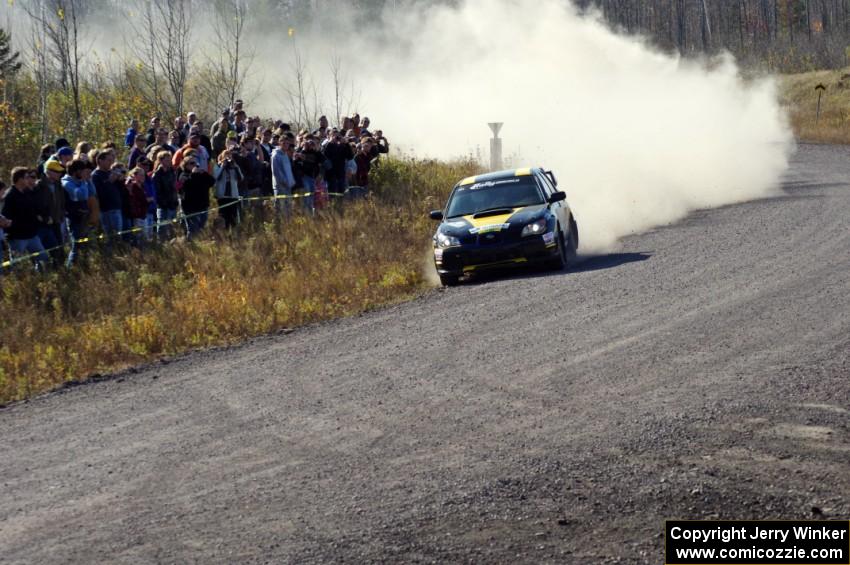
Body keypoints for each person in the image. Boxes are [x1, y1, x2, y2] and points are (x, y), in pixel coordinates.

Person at [2, 168, 47, 267]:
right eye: (26, 177)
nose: (29, 180)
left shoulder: (27, 192)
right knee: (17, 265)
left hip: (32, 235)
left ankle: (43, 279)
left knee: (43, 259)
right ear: (19, 179)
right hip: (17, 238)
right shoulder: (10, 196)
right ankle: (19, 282)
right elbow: (6, 218)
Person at [33, 160, 67, 266]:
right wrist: (45, 218)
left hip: (56, 222)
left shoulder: (58, 185)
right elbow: (37, 206)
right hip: (43, 225)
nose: (59, 174)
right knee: (41, 253)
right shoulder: (38, 186)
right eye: (57, 171)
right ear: (48, 172)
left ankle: (59, 272)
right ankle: (41, 273)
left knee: (58, 251)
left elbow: (62, 202)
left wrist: (61, 215)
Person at [62, 159, 94, 265]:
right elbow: (81, 195)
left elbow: (92, 192)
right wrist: (84, 181)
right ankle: (70, 267)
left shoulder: (80, 182)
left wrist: (88, 180)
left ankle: (84, 266)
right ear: (76, 171)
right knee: (76, 246)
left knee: (85, 245)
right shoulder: (66, 183)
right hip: (74, 219)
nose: (85, 173)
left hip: (84, 218)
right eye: (83, 171)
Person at [178, 157, 214, 238]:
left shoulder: (200, 174)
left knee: (201, 227)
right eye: (192, 163)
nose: (195, 165)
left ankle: (198, 244)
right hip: (190, 207)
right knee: (192, 228)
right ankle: (190, 244)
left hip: (203, 205)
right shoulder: (183, 175)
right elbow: (189, 186)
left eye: (196, 163)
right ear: (185, 165)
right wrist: (193, 174)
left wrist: (204, 173)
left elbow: (212, 182)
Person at [91, 149, 123, 237]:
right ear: (100, 161)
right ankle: (112, 250)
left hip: (117, 208)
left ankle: (117, 250)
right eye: (108, 160)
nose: (111, 162)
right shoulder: (95, 175)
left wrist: (120, 180)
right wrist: (110, 181)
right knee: (112, 236)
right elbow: (99, 193)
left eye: (112, 160)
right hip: (107, 210)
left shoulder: (110, 172)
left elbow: (118, 189)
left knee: (118, 236)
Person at [213, 149, 244, 229]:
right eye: (226, 155)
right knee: (223, 216)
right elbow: (216, 177)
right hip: (222, 196)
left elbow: (241, 178)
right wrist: (223, 166)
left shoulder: (234, 166)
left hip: (233, 195)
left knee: (233, 217)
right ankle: (223, 232)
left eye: (229, 155)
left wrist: (235, 167)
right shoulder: (218, 166)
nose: (228, 157)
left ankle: (233, 233)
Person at [152, 150, 178, 240]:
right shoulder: (157, 175)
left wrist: (175, 201)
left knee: (172, 227)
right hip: (163, 206)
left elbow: (174, 188)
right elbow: (157, 192)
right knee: (162, 227)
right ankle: (161, 244)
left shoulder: (172, 172)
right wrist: (163, 203)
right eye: (167, 160)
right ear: (161, 161)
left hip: (172, 204)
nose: (169, 162)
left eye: (170, 160)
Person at [293, 136, 322, 213]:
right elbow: (295, 161)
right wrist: (302, 149)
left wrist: (316, 148)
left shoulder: (315, 153)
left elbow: (323, 161)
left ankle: (310, 216)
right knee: (306, 199)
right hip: (304, 177)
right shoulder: (299, 150)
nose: (309, 144)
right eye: (307, 142)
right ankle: (307, 216)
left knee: (311, 199)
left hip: (312, 177)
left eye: (311, 142)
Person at [322, 131, 354, 197]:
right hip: (330, 175)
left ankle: (341, 206)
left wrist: (346, 143)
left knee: (341, 194)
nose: (336, 138)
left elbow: (350, 156)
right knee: (332, 195)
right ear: (329, 137)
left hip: (341, 174)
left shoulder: (343, 146)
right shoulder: (327, 145)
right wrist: (330, 143)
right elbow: (324, 156)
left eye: (337, 136)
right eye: (334, 136)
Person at [271, 134, 296, 214]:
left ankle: (287, 226)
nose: (286, 145)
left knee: (288, 211)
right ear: (279, 143)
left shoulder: (285, 154)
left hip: (288, 187)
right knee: (280, 212)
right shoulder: (276, 155)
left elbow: (288, 171)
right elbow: (276, 173)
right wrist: (285, 182)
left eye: (287, 143)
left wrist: (291, 182)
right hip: (280, 187)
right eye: (284, 143)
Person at [124, 167, 149, 245]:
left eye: (143, 175)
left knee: (144, 238)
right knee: (138, 238)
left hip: (143, 215)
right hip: (136, 216)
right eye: (140, 175)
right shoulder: (132, 186)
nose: (143, 177)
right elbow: (133, 200)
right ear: (134, 176)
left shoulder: (142, 186)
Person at [137, 157, 157, 241]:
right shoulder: (136, 178)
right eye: (144, 164)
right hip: (142, 212)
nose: (147, 166)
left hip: (151, 210)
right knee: (143, 236)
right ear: (138, 165)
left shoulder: (149, 178)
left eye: (148, 164)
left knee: (150, 236)